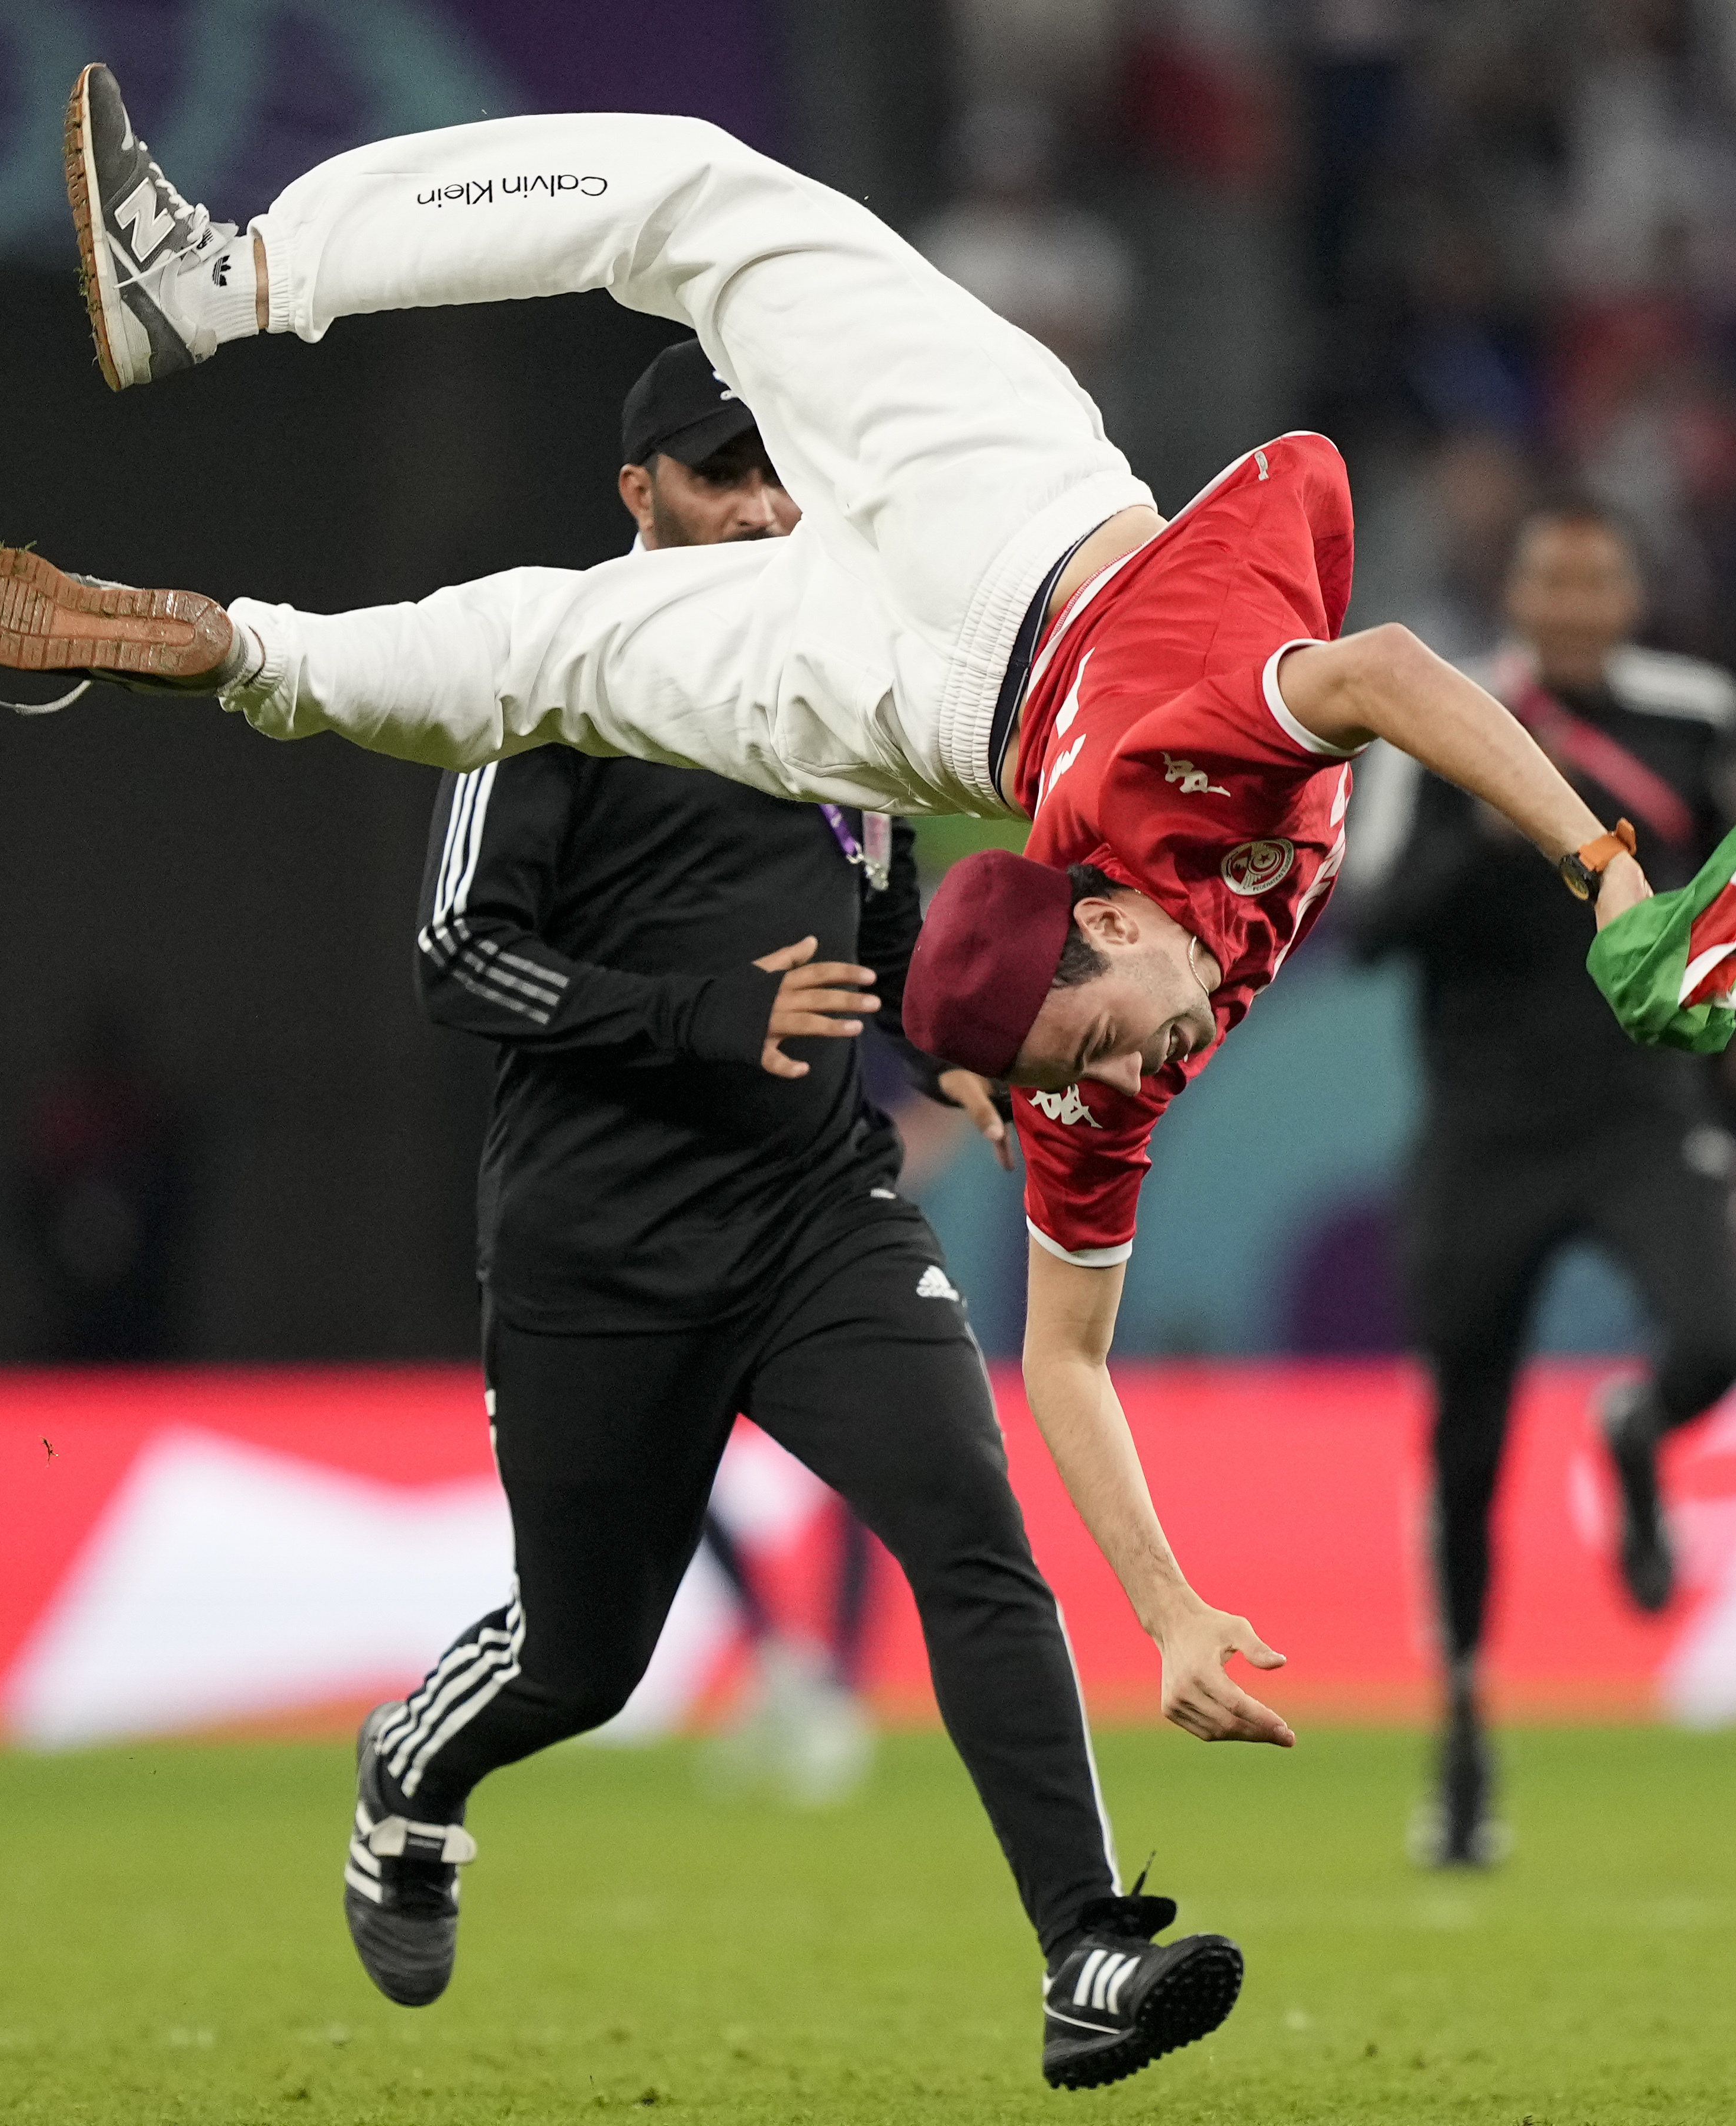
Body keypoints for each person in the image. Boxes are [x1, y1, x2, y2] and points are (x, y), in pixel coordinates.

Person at [0, 70, 1667, 1763]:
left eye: (1096, 1054)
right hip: (957, 642)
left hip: (973, 610)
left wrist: (1175, 1607)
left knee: (675, 281)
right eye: (1115, 1042)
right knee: (559, 657)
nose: (1160, 1059)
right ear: (1095, 921)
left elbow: (1371, 667)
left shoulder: (1138, 905)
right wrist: (1608, 869)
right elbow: (1375, 675)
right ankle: (255, 641)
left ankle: (235, 393)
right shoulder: (1130, 908)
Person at [349, 340, 1237, 2090]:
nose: (759, 509)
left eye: (777, 475)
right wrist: (697, 1017)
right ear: (636, 496)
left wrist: (951, 1040)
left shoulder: (843, 656)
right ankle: (411, 1772)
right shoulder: (547, 666)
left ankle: (1085, 1951)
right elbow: (457, 953)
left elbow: (877, 914)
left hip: (810, 1208)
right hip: (597, 1241)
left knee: (973, 1538)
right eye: (715, 477)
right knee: (582, 1656)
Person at [1343, 497, 1736, 1870]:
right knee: (1463, 1448)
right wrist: (1496, 839)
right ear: (1519, 590)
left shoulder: (1694, 713)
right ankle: (1465, 1739)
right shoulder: (1444, 709)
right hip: (1484, 1121)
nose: (1578, 598)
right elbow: (1368, 922)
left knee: (1716, 1342)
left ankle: (1641, 1431)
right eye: (1553, 575)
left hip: (1636, 1107)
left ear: (1632, 589)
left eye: (1601, 574)